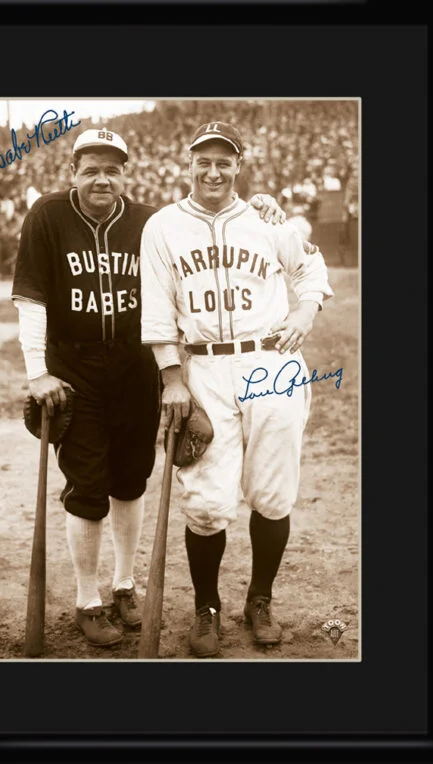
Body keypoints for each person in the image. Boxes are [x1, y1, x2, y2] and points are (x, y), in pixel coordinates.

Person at [11, 126, 289, 649]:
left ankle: (123, 585)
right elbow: (31, 298)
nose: (102, 178)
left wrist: (260, 205)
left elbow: (203, 221)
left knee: (132, 479)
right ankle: (88, 598)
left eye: (112, 169)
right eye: (91, 168)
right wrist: (36, 370)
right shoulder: (47, 215)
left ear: (125, 174)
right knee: (88, 487)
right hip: (74, 368)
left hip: (137, 368)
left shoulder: (147, 222)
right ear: (73, 171)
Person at [139, 121, 335, 658]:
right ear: (189, 164)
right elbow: (156, 310)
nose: (213, 170)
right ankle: (207, 608)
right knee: (205, 502)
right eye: (203, 159)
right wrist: (171, 378)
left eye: (224, 160)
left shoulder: (270, 222)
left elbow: (312, 270)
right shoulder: (162, 227)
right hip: (203, 369)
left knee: (272, 495)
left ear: (238, 167)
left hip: (271, 360)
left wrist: (304, 311)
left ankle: (260, 599)